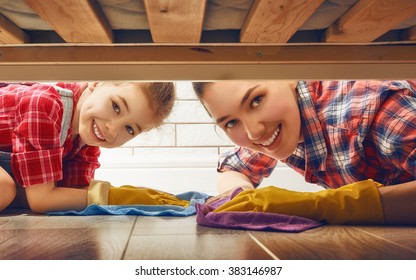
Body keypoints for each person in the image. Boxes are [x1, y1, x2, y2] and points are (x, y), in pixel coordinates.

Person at [192, 80, 416, 225]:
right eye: (231, 122)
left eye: (257, 100)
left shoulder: (372, 112)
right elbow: (234, 169)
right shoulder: (280, 123)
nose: (253, 132)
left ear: (291, 75)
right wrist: (245, 200)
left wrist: (321, 204)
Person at [0, 81, 179, 213]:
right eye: (116, 107)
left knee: (22, 191)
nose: (113, 130)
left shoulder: (85, 142)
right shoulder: (45, 104)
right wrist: (118, 197)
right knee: (5, 188)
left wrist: (141, 196)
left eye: (130, 129)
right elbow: (42, 200)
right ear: (97, 82)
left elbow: (72, 193)